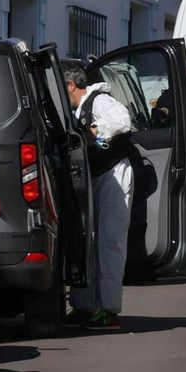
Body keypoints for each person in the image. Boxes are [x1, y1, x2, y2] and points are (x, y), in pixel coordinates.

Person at [62, 62, 135, 330]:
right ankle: (85, 305)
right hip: (93, 177)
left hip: (113, 173)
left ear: (71, 85)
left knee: (110, 242)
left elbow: (123, 121)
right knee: (88, 243)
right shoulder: (76, 110)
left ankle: (108, 309)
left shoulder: (100, 100)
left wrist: (96, 134)